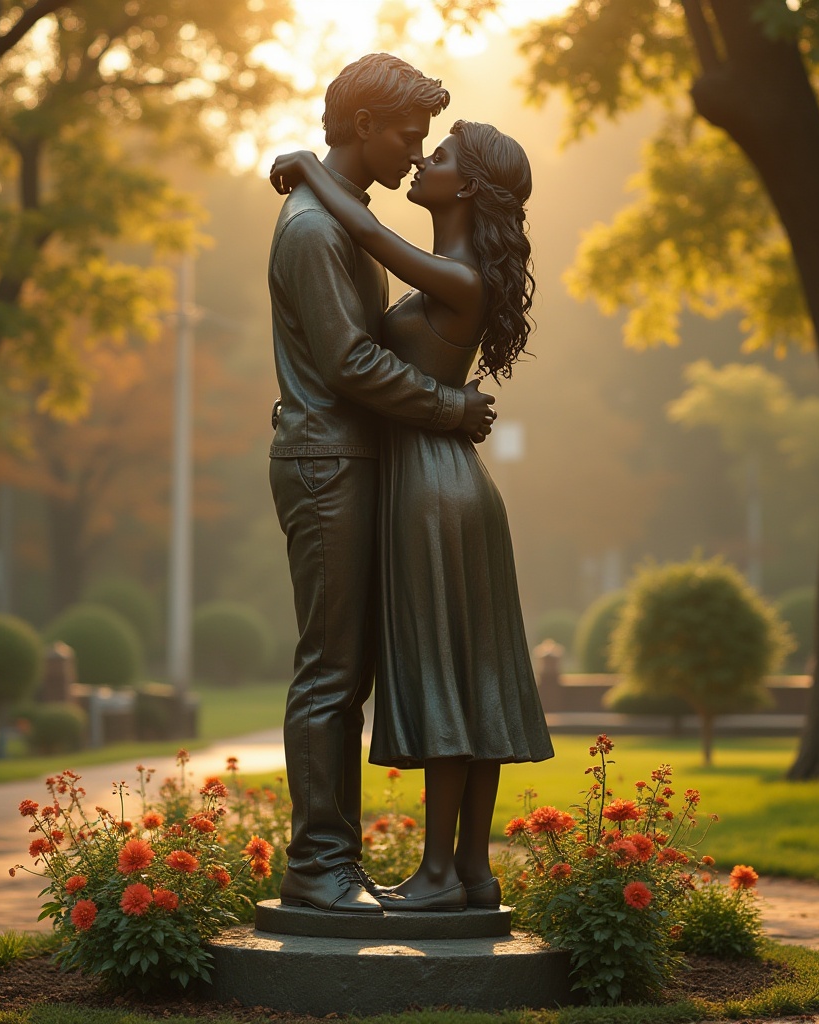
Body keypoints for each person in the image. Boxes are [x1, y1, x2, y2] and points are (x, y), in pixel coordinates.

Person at [270, 117, 554, 912]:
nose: (423, 158)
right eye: (418, 140)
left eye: (440, 153)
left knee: (450, 676)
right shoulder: (448, 268)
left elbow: (363, 227)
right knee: (468, 673)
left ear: (464, 187)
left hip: (432, 486)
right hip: (436, 476)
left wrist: (305, 165)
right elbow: (363, 232)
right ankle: (469, 872)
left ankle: (440, 875)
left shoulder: (452, 273)